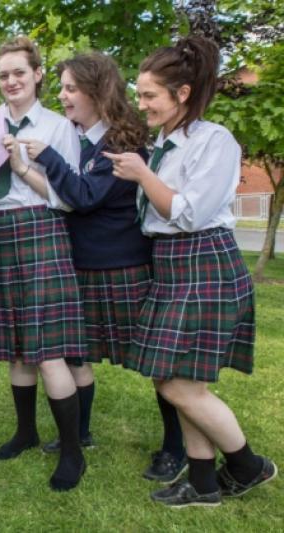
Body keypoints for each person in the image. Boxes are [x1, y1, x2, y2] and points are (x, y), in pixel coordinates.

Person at [104, 35, 277, 507]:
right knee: (180, 379)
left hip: (204, 261)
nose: (142, 105)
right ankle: (202, 483)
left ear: (182, 94)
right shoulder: (164, 142)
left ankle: (247, 465)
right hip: (172, 264)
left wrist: (143, 175)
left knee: (177, 383)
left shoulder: (214, 140)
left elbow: (188, 213)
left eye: (150, 96)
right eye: (139, 95)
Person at [13, 52, 187, 483]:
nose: (62, 96)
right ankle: (80, 433)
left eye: (71, 88)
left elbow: (85, 196)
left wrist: (48, 158)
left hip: (124, 268)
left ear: (97, 91)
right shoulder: (76, 137)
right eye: (62, 88)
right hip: (79, 265)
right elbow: (64, 196)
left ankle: (176, 448)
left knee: (158, 366)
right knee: (75, 355)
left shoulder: (122, 142)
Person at [0, 36, 86, 491]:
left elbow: (68, 198)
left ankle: (72, 451)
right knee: (15, 346)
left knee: (48, 350)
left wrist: (22, 167)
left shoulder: (59, 127)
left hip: (41, 229)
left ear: (37, 75)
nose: (10, 81)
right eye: (3, 75)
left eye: (19, 72)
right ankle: (26, 431)